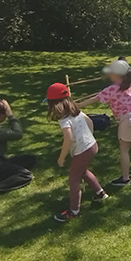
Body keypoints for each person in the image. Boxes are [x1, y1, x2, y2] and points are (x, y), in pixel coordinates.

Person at [46, 83, 108, 222]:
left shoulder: (64, 119)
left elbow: (68, 138)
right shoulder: (76, 111)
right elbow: (89, 122)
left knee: (73, 179)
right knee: (83, 171)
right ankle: (100, 193)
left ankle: (74, 211)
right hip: (92, 145)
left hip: (83, 151)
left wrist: (61, 158)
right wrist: (89, 136)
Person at [79, 59, 131, 187]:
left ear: (117, 75)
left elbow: (96, 99)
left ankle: (125, 179)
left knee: (124, 149)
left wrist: (79, 105)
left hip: (128, 120)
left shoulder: (112, 89)